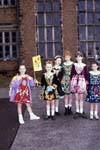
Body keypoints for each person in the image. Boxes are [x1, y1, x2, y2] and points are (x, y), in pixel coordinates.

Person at [70, 51, 88, 119]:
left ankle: (81, 111)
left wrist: (86, 85)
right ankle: (77, 111)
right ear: (76, 58)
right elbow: (72, 74)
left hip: (82, 83)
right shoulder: (74, 65)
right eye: (77, 56)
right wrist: (71, 83)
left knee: (81, 98)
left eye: (80, 56)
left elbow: (86, 75)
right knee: (76, 98)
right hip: (75, 82)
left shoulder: (85, 66)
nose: (78, 57)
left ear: (82, 57)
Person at [61, 51, 73, 115]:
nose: (67, 58)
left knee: (70, 96)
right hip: (64, 80)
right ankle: (66, 109)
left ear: (70, 57)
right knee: (65, 96)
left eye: (68, 57)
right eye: (65, 57)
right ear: (64, 58)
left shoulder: (73, 64)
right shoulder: (63, 65)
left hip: (71, 81)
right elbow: (61, 74)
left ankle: (70, 108)